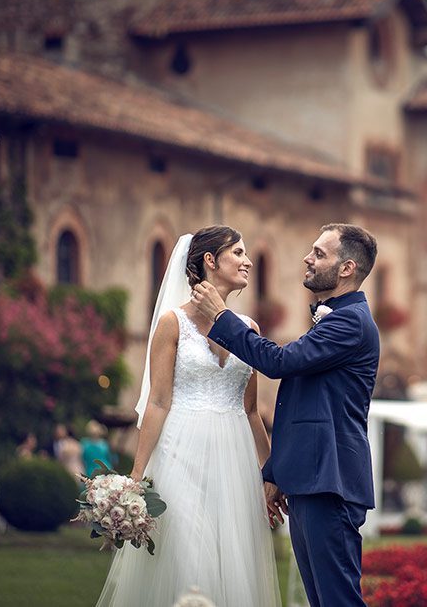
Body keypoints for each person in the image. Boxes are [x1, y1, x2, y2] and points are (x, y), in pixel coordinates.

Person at [192, 222, 380, 607]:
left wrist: (220, 316)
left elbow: (279, 363)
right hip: (313, 480)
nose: (307, 259)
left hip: (332, 483)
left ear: (346, 269)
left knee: (338, 601)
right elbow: (304, 407)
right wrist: (277, 473)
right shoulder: (333, 318)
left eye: (319, 253)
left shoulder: (350, 323)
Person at [95, 227, 280, 607]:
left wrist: (272, 473)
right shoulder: (172, 323)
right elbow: (158, 402)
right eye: (238, 253)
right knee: (190, 560)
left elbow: (250, 411)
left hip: (235, 462)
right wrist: (136, 477)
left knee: (232, 561)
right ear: (210, 261)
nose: (248, 262)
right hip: (182, 454)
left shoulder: (249, 330)